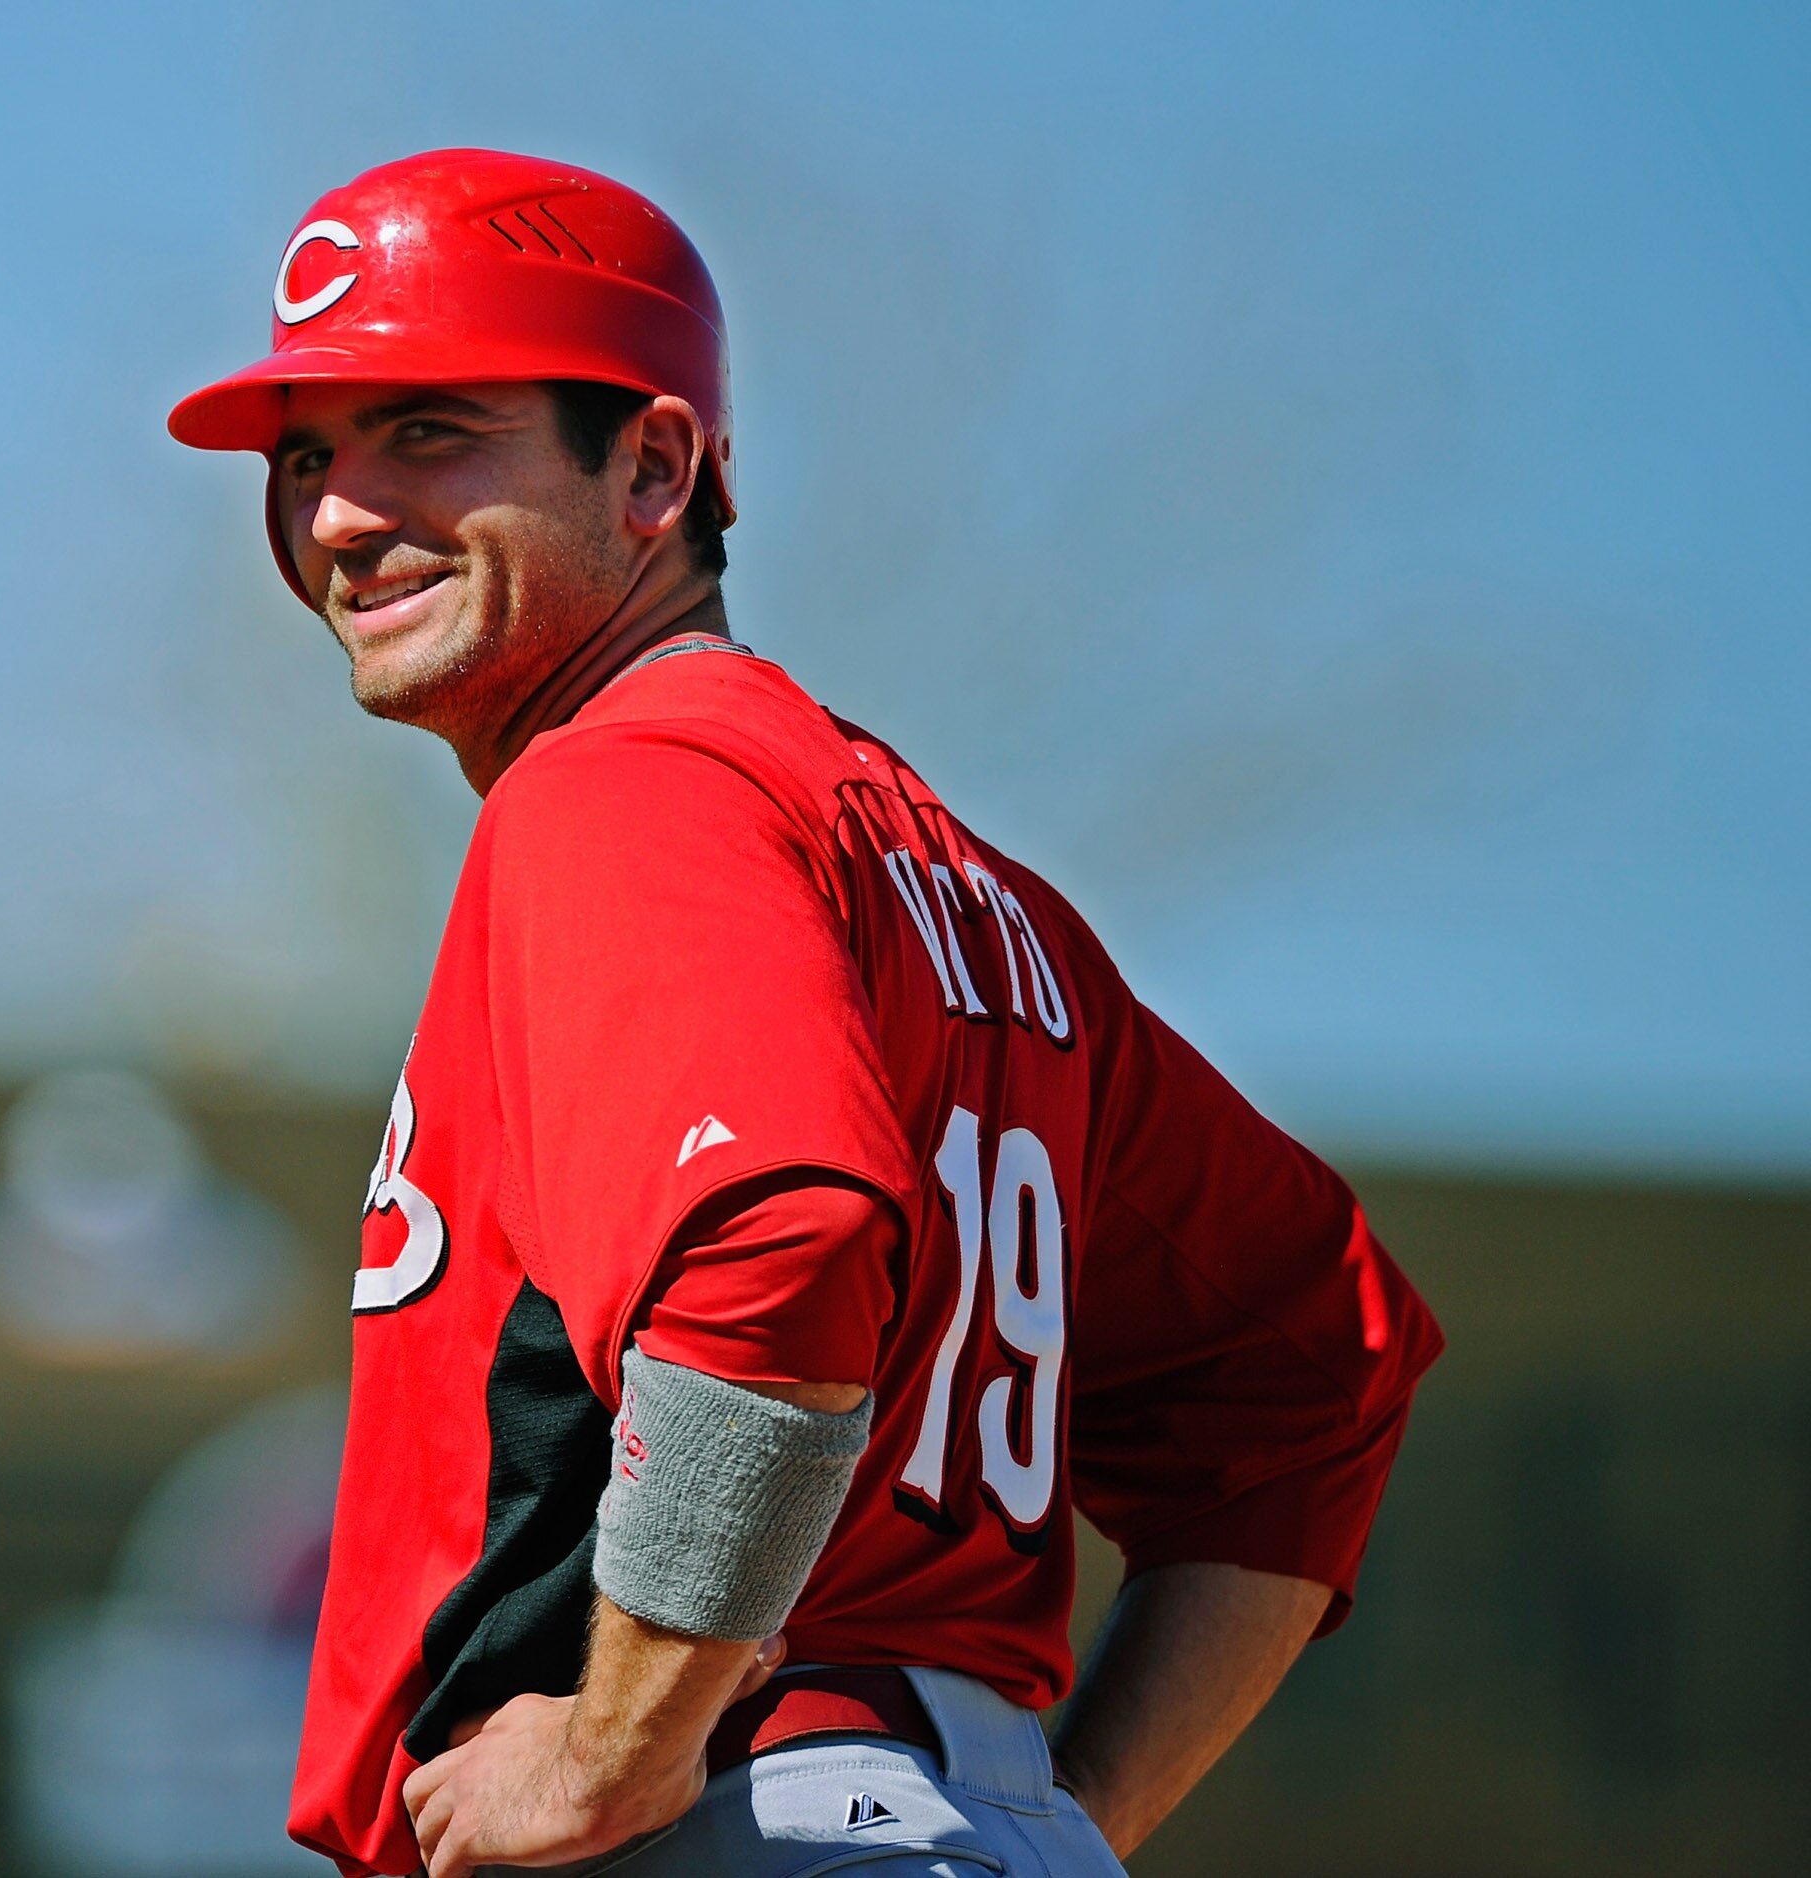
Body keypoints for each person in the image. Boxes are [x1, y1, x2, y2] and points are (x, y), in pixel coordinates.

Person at [167, 150, 1444, 1878]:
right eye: (309, 452)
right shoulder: (964, 896)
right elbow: (1313, 1364)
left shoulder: (621, 791)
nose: (332, 510)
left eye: (428, 428)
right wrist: (1062, 1822)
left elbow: (776, 1238)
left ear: (657, 464)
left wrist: (620, 1746)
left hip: (733, 1814)